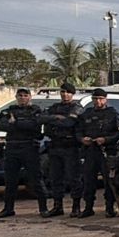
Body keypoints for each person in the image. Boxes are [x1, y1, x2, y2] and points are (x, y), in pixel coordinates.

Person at [0, 87, 48, 219]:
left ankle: (43, 208)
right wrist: (21, 123)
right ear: (16, 97)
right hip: (12, 147)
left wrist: (15, 122)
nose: (22, 98)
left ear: (30, 97)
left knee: (36, 179)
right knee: (10, 180)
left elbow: (34, 125)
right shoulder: (9, 110)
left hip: (29, 147)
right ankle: (8, 209)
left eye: (25, 95)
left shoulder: (35, 110)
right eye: (20, 95)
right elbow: (2, 126)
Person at [75, 88, 119, 218]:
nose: (98, 101)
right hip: (90, 151)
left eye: (101, 99)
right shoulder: (87, 114)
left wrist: (106, 139)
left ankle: (110, 207)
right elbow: (78, 130)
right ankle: (88, 207)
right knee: (88, 180)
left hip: (107, 151)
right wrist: (82, 139)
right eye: (95, 99)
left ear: (105, 99)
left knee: (109, 181)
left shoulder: (113, 114)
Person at [41, 83, 83, 217]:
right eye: (63, 92)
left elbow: (68, 123)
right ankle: (57, 206)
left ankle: (76, 207)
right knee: (55, 178)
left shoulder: (77, 108)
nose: (65, 94)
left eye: (68, 92)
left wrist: (52, 119)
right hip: (55, 146)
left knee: (73, 178)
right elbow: (41, 118)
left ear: (73, 94)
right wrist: (56, 117)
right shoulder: (54, 107)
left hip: (71, 147)